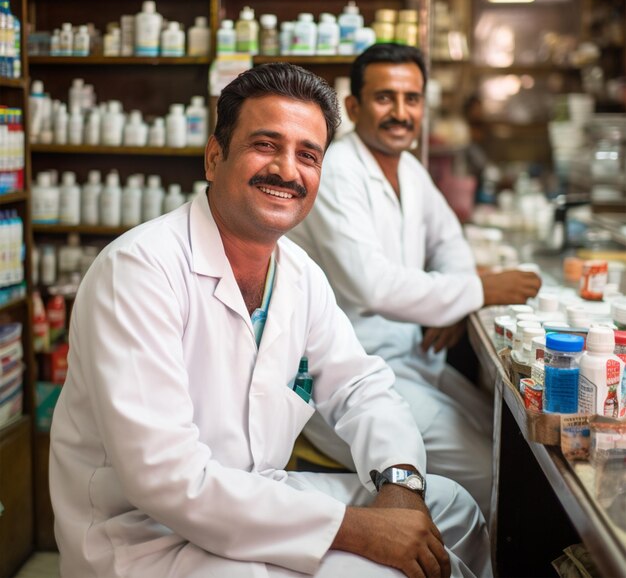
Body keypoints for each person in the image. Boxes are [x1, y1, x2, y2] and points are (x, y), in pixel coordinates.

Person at [49, 62, 492, 578]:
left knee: (453, 508)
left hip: (253, 499)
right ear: (215, 157)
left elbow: (361, 388)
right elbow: (167, 481)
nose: (287, 170)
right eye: (265, 144)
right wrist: (360, 530)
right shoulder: (140, 271)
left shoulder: (298, 273)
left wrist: (401, 487)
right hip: (149, 536)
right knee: (387, 571)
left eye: (308, 155)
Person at [288, 44, 542, 520]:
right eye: (386, 98)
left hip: (412, 356)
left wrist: (452, 303)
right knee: (492, 471)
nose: (401, 113)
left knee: (508, 443)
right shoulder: (337, 172)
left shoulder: (409, 168)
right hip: (347, 375)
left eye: (412, 99)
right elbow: (373, 286)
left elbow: (450, 242)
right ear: (355, 106)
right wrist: (477, 291)